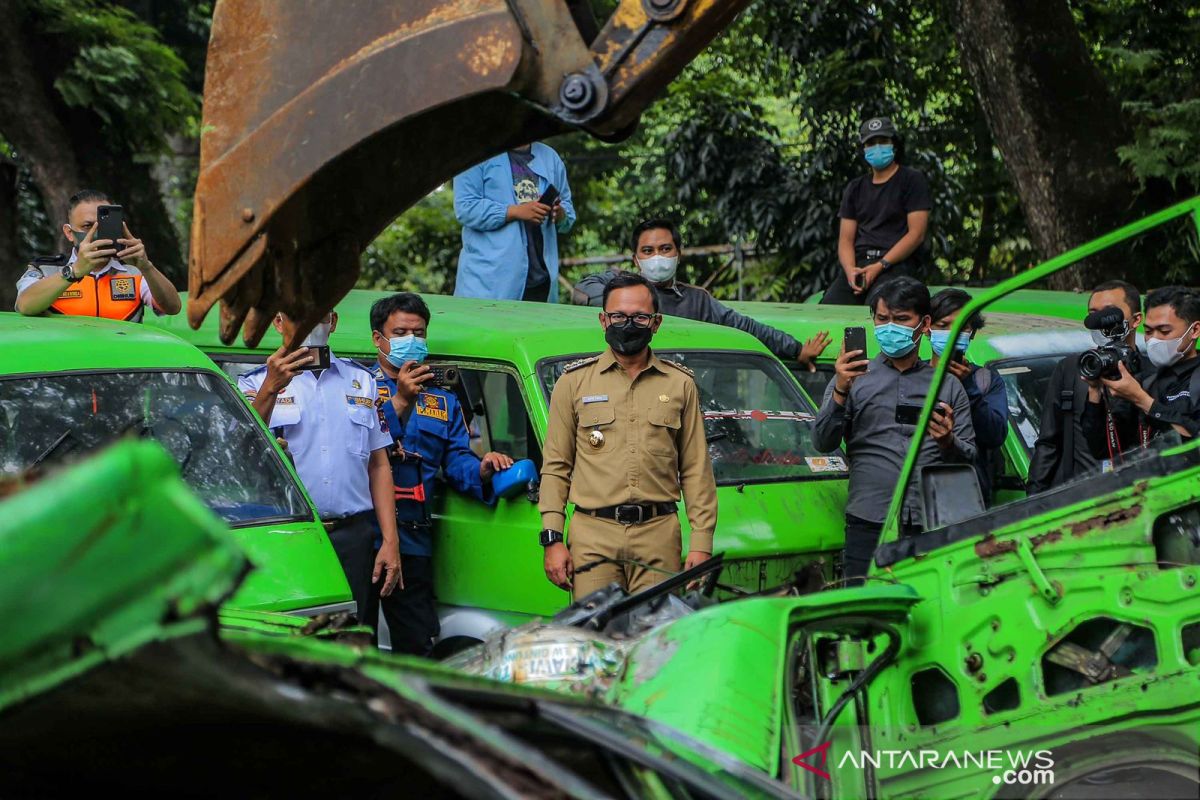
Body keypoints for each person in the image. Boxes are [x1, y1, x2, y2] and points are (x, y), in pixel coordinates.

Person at [540, 272, 718, 597]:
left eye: (639, 316)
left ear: (656, 322)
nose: (628, 324)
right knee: (596, 637)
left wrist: (701, 543)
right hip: (592, 535)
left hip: (658, 534)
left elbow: (695, 470)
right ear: (603, 319)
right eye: (618, 316)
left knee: (656, 639)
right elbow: (556, 467)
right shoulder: (574, 383)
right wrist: (552, 538)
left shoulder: (680, 385)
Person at [367, 292, 514, 656]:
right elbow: (357, 454)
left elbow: (456, 462)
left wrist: (482, 467)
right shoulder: (356, 390)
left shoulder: (442, 402)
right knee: (354, 642)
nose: (412, 342)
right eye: (401, 333)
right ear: (378, 339)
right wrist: (399, 401)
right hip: (363, 535)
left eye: (419, 333)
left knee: (416, 644)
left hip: (412, 541)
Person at [237, 312, 401, 621]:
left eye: (320, 315)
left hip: (353, 536)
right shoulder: (255, 382)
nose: (310, 324)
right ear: (278, 323)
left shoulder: (362, 380)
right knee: (297, 636)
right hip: (288, 535)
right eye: (301, 315)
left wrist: (391, 542)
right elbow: (243, 448)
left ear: (334, 321)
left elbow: (379, 464)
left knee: (355, 635)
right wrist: (271, 388)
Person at [812, 277, 975, 581]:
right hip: (868, 521)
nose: (890, 327)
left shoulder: (949, 385)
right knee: (864, 612)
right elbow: (822, 441)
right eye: (882, 319)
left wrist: (947, 442)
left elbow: (970, 457)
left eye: (901, 320)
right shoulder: (852, 379)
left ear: (924, 324)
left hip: (930, 525)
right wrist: (840, 392)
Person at [572, 218, 832, 371]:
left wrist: (796, 349)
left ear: (678, 254)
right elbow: (582, 291)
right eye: (648, 251)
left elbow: (744, 327)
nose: (657, 257)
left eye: (665, 249)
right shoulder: (617, 286)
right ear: (636, 258)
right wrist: (629, 304)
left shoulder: (696, 300)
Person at [1027, 280, 1141, 492]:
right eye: (1093, 314)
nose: (1100, 321)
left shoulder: (1149, 370)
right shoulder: (1073, 369)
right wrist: (1033, 500)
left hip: (1133, 493)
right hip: (1080, 496)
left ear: (1136, 320)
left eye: (1109, 313)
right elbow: (1048, 442)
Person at [15, 189, 181, 320]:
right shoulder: (45, 269)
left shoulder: (134, 272)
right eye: (88, 226)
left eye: (103, 225)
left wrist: (147, 267)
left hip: (123, 361)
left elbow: (172, 308)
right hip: (68, 361)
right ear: (69, 232)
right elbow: (25, 305)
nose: (96, 233)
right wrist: (73, 272)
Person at [1080, 286, 1200, 460]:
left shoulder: (1194, 380)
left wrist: (1142, 400)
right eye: (1149, 331)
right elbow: (1103, 450)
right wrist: (1095, 391)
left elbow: (1193, 443)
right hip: (1148, 483)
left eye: (1164, 331)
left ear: (1195, 330)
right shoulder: (1146, 379)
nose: (1154, 340)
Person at [821, 117, 931, 306]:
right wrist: (850, 270)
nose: (877, 147)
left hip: (895, 266)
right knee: (828, 308)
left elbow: (916, 234)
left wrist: (881, 266)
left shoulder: (912, 180)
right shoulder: (855, 188)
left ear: (894, 145)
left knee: (881, 309)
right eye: (871, 143)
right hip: (859, 266)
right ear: (863, 148)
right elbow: (845, 239)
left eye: (883, 141)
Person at [452, 141, 576, 302]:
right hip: (488, 286)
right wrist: (514, 211)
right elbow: (466, 207)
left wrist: (560, 214)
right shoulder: (476, 154)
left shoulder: (550, 157)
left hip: (540, 283)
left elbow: (568, 211)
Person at [927, 288, 1009, 503]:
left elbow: (995, 436)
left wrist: (969, 387)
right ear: (927, 329)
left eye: (961, 327)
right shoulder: (913, 377)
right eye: (943, 326)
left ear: (971, 333)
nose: (952, 334)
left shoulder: (985, 381)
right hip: (917, 496)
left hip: (968, 495)